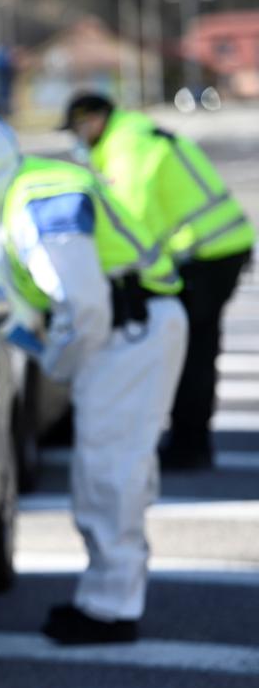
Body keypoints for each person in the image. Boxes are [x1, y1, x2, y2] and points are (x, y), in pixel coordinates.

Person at [0, 105, 188, 644]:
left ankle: (110, 610)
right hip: (132, 329)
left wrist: (60, 365)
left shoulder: (36, 201)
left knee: (109, 474)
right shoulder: (27, 190)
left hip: (127, 332)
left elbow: (84, 305)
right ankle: (111, 596)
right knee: (116, 470)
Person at [63, 93, 255, 470]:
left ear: (95, 120)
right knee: (196, 349)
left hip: (206, 256)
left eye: (78, 129)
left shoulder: (127, 146)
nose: (77, 139)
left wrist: (123, 276)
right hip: (219, 249)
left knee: (189, 353)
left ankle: (189, 446)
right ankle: (192, 441)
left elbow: (132, 222)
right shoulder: (133, 134)